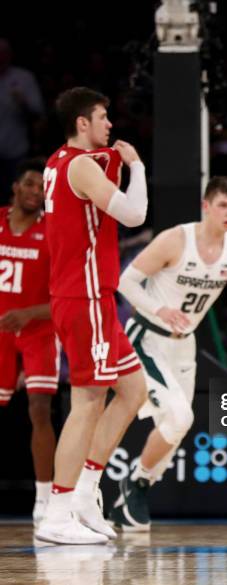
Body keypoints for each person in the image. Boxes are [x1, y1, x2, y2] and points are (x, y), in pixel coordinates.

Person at [108, 175, 227, 531]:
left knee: (178, 427)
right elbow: (125, 282)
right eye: (223, 205)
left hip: (185, 346)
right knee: (180, 417)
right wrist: (159, 309)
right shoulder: (175, 240)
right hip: (147, 337)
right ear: (206, 206)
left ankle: (133, 488)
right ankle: (131, 485)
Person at [35, 87, 148, 545]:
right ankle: (58, 513)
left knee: (134, 390)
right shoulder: (80, 165)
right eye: (103, 117)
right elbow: (135, 214)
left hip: (85, 296)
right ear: (83, 123)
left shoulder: (57, 162)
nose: (109, 125)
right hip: (83, 298)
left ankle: (85, 491)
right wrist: (136, 165)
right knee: (85, 403)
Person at [0, 158, 58, 524]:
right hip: (1, 329)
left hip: (38, 329)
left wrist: (29, 314)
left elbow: (68, 296)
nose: (37, 192)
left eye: (42, 187)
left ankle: (45, 498)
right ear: (15, 188)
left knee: (40, 410)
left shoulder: (53, 229)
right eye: (31, 184)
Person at [0, 39, 45, 202]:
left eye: (3, 53)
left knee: (15, 195)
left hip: (16, 149)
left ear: (9, 55)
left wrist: (23, 102)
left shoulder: (23, 78)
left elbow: (38, 110)